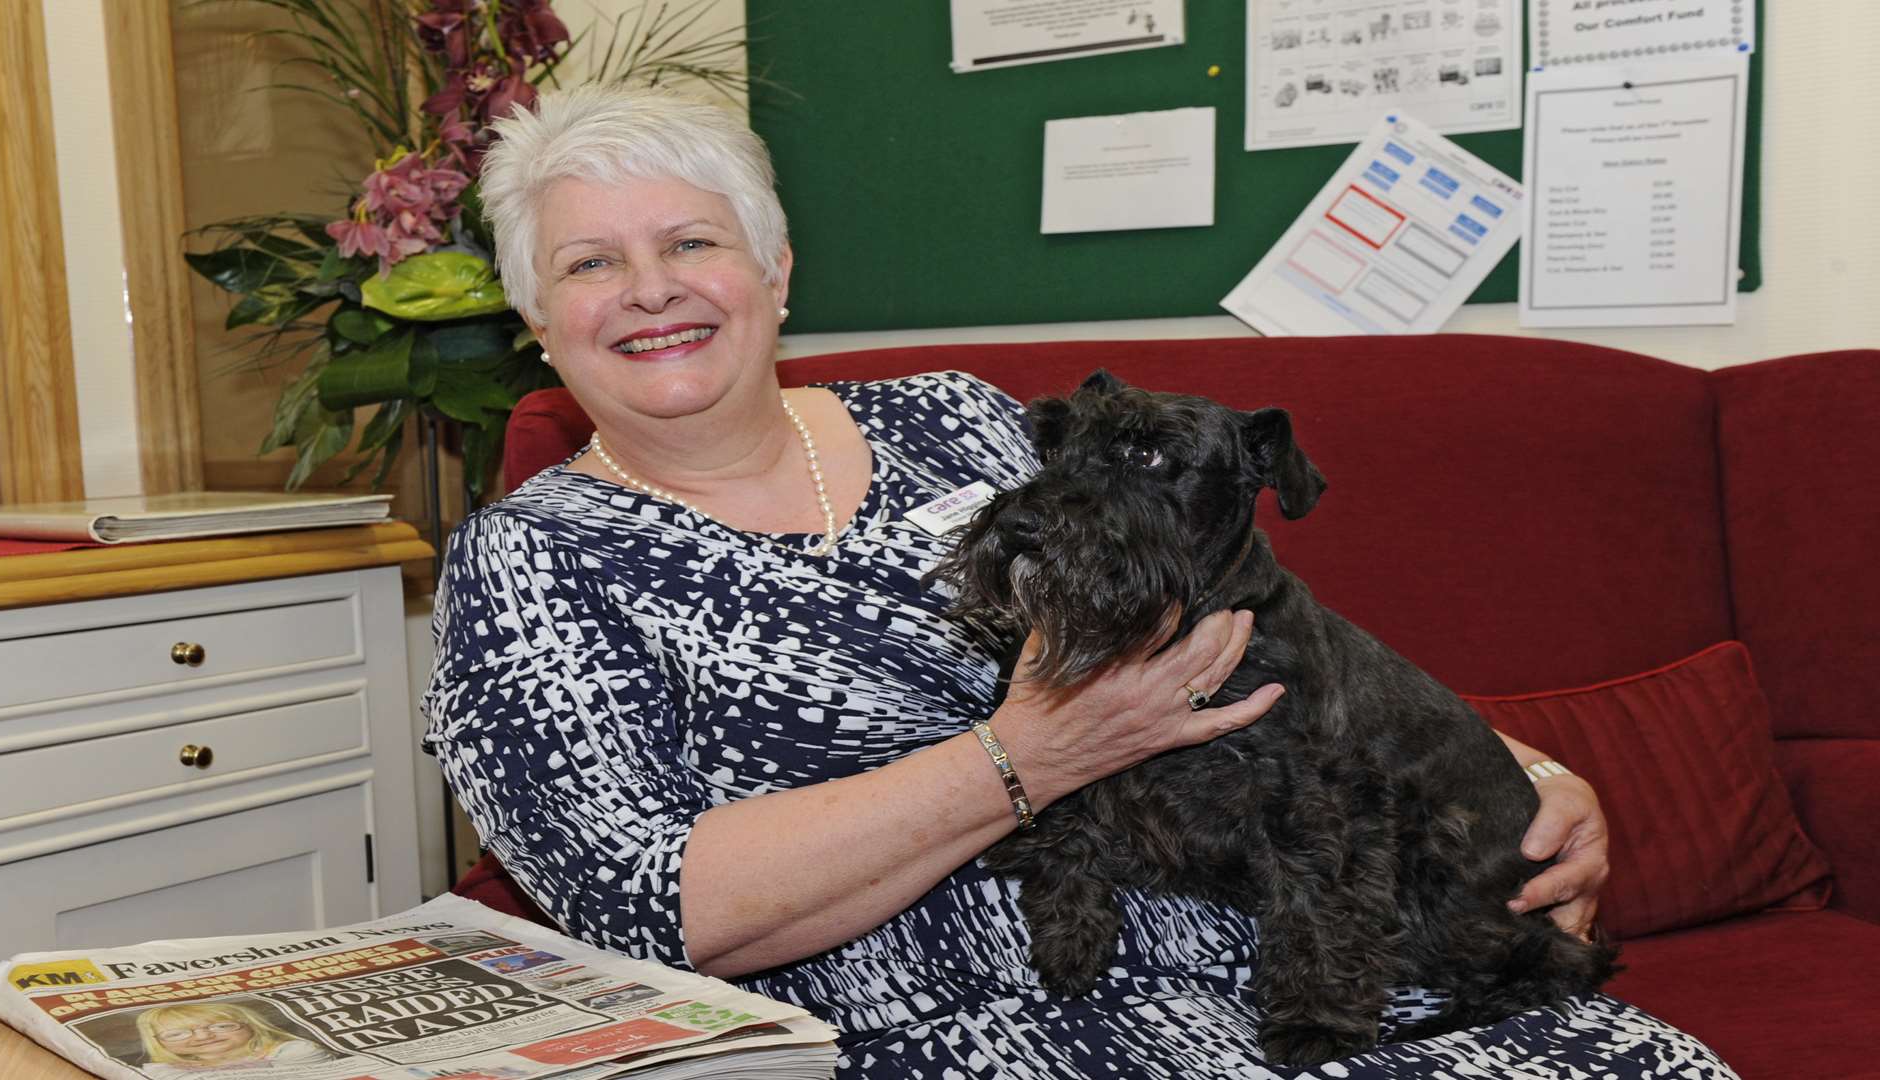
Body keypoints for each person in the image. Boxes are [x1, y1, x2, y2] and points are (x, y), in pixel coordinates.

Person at [423, 84, 1730, 1078]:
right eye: (591, 264)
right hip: (960, 1024)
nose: (651, 292)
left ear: (774, 272)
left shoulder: (962, 422)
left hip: (1298, 956)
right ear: (538, 318)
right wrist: (1023, 759)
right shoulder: (527, 564)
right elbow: (657, 910)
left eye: (691, 244)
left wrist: (1524, 774)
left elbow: (1243, 624)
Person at [135, 1002, 342, 1074]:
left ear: (251, 1026)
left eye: (222, 1025)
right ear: (158, 1042)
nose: (204, 1035)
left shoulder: (296, 1050)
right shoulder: (163, 1070)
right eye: (177, 1033)